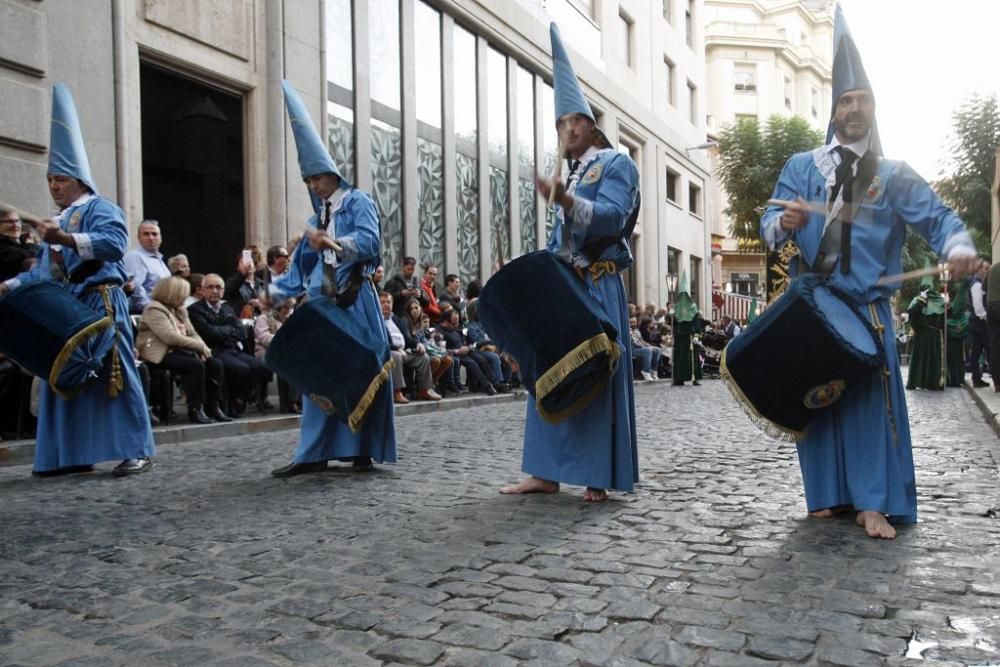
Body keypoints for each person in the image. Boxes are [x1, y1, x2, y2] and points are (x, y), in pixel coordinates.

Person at [759, 7, 977, 539]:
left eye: (863, 100)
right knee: (815, 399)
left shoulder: (894, 175)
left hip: (867, 308)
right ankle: (828, 496)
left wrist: (959, 246)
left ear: (874, 109)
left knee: (866, 405)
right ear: (833, 109)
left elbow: (940, 217)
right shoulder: (802, 166)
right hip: (813, 305)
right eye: (846, 99)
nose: (854, 108)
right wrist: (781, 222)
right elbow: (768, 219)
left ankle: (873, 502)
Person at [499, 23, 640, 502]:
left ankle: (598, 474)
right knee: (547, 368)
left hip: (598, 283)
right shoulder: (570, 171)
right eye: (562, 123)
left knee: (597, 375)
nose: (569, 128)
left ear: (591, 123)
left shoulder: (618, 165)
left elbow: (614, 217)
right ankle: (544, 470)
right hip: (564, 283)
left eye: (576, 120)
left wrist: (567, 202)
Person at [0, 83, 154, 476]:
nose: (54, 186)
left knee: (114, 369)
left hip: (102, 299)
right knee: (60, 372)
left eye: (61, 180)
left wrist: (65, 238)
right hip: (67, 303)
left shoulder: (102, 208)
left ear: (80, 180)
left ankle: (136, 447)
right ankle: (65, 454)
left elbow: (114, 245)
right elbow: (44, 271)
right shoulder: (55, 220)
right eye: (50, 179)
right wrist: (10, 286)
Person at [267, 80, 396, 478]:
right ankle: (314, 452)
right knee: (318, 375)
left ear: (331, 173)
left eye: (316, 179)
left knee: (361, 368)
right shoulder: (314, 220)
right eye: (307, 182)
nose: (313, 186)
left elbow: (372, 243)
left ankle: (362, 449)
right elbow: (301, 269)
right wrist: (274, 293)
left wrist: (336, 242)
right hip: (322, 307)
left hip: (354, 301)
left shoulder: (358, 202)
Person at [137, 276, 229, 424]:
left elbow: (192, 332)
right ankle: (195, 409)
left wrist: (204, 348)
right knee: (195, 366)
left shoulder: (180, 310)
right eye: (183, 294)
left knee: (214, 363)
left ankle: (213, 406)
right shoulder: (154, 309)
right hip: (160, 352)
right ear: (172, 293)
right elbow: (169, 337)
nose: (186, 298)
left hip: (179, 350)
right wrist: (198, 346)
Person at [188, 273, 272, 417]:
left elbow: (241, 330)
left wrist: (227, 331)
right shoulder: (195, 310)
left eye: (219, 287)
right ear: (202, 290)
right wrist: (229, 330)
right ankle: (233, 401)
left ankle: (241, 398)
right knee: (241, 368)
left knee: (263, 367)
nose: (215, 291)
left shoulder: (227, 308)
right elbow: (210, 333)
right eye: (210, 287)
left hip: (232, 348)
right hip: (214, 350)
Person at [380, 291, 442, 403]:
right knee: (397, 356)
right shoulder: (376, 320)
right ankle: (397, 392)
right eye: (382, 302)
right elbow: (380, 342)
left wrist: (417, 344)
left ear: (392, 304)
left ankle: (424, 390)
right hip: (387, 352)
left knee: (423, 357)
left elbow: (406, 337)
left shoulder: (396, 319)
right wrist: (397, 348)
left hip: (404, 350)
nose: (386, 304)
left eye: (388, 302)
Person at [254, 297, 301, 414]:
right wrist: (283, 341)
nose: (288, 310)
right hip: (267, 352)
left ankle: (298, 400)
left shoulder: (291, 319)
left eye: (290, 307)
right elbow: (263, 337)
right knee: (290, 363)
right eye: (285, 307)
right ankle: (290, 402)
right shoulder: (264, 318)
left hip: (287, 353)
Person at [403, 297, 454, 392]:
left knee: (448, 360)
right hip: (414, 351)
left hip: (426, 349)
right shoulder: (406, 322)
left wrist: (433, 344)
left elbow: (424, 340)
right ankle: (422, 386)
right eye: (411, 309)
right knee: (435, 361)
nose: (414, 311)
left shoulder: (419, 324)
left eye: (416, 308)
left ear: (420, 309)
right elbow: (408, 341)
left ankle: (432, 384)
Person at [123, 219, 170, 314]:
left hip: (163, 312)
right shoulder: (135, 256)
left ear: (160, 237)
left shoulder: (159, 260)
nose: (151, 238)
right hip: (147, 314)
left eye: (154, 234)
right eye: (146, 234)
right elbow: (136, 288)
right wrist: (151, 310)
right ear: (138, 238)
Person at [905, 280, 945, 391]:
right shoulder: (916, 301)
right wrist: (920, 301)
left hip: (934, 336)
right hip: (921, 336)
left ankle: (933, 382)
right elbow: (912, 315)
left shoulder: (940, 301)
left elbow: (945, 317)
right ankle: (916, 381)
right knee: (919, 359)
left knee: (932, 360)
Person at [671, 277, 707, 386]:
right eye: (681, 294)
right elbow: (674, 324)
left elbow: (697, 323)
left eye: (685, 294)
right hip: (679, 337)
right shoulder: (676, 307)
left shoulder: (693, 307)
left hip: (690, 337)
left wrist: (697, 335)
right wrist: (670, 316)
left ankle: (695, 378)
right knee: (679, 358)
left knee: (692, 359)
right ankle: (679, 378)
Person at [966, 260, 989, 387]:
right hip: (979, 322)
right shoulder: (977, 284)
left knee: (976, 351)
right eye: (985, 269)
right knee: (989, 349)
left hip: (976, 322)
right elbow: (978, 306)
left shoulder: (977, 283)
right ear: (979, 270)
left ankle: (976, 379)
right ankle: (979, 378)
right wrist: (986, 317)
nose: (986, 271)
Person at [224, 249, 265, 319]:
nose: (246, 265)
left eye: (249, 262)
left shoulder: (263, 284)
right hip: (241, 322)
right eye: (242, 263)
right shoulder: (232, 282)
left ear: (255, 267)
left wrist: (260, 304)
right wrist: (243, 272)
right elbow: (231, 289)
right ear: (238, 268)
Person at [0, 209, 36, 281]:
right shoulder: (3, 248)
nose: (15, 225)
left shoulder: (16, 243)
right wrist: (30, 244)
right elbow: (31, 257)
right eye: (10, 222)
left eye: (17, 221)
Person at [630, 316, 660, 381]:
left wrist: (648, 345)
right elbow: (634, 343)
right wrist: (646, 347)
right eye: (631, 322)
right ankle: (646, 371)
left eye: (634, 322)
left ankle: (653, 370)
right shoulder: (628, 331)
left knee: (656, 350)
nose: (633, 324)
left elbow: (641, 340)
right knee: (647, 351)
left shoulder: (637, 330)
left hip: (640, 347)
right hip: (632, 349)